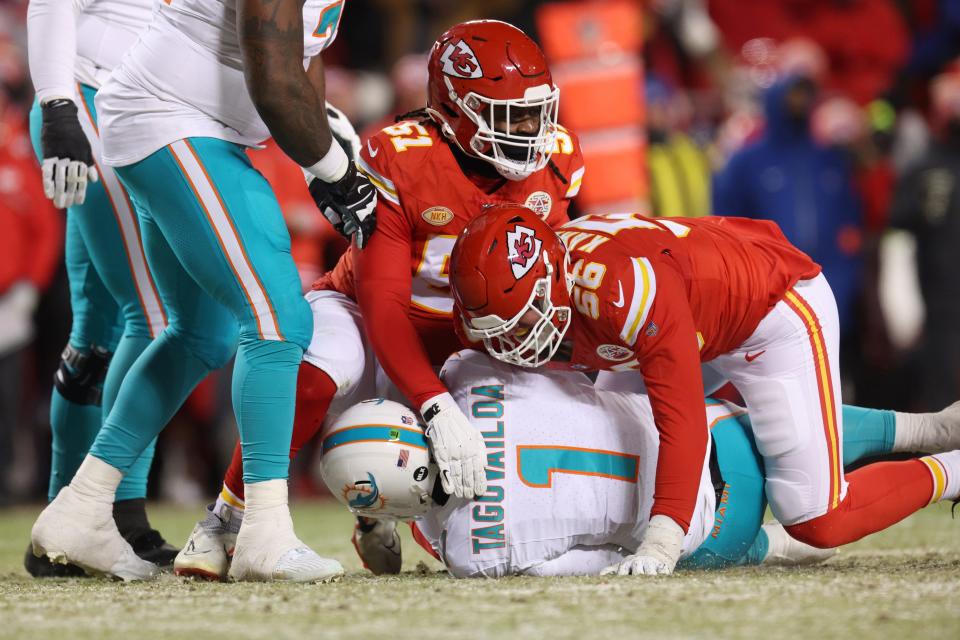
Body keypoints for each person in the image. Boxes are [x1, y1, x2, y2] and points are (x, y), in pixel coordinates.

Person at [172, 19, 585, 581]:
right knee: (314, 376)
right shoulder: (401, 157)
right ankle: (224, 519)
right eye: (509, 114)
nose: (530, 130)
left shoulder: (557, 158)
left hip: (469, 336)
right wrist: (434, 403)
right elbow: (383, 300)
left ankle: (384, 512)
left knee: (485, 460)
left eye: (536, 112)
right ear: (455, 110)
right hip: (366, 315)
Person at [29, 0, 377, 583]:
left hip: (181, 121)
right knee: (277, 319)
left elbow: (303, 53)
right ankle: (262, 528)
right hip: (171, 118)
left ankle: (82, 506)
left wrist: (322, 157)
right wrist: (336, 171)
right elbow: (274, 78)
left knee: (201, 334)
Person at [448, 206, 960, 576]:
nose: (509, 343)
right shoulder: (529, 292)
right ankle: (931, 427)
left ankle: (952, 469)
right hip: (692, 311)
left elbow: (684, 419)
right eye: (497, 329)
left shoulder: (619, 291)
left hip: (769, 313)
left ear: (554, 283)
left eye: (521, 322)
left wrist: (663, 539)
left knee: (817, 519)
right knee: (620, 432)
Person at [320, 351, 960, 577]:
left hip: (711, 529)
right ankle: (929, 429)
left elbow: (603, 563)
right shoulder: (467, 374)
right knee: (770, 429)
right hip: (707, 435)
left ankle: (949, 475)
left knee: (768, 537)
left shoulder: (467, 552)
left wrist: (390, 527)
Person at [23, 0, 177, 577]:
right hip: (97, 101)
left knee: (97, 333)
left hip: (126, 105)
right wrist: (58, 104)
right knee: (158, 317)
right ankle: (120, 517)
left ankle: (58, 526)